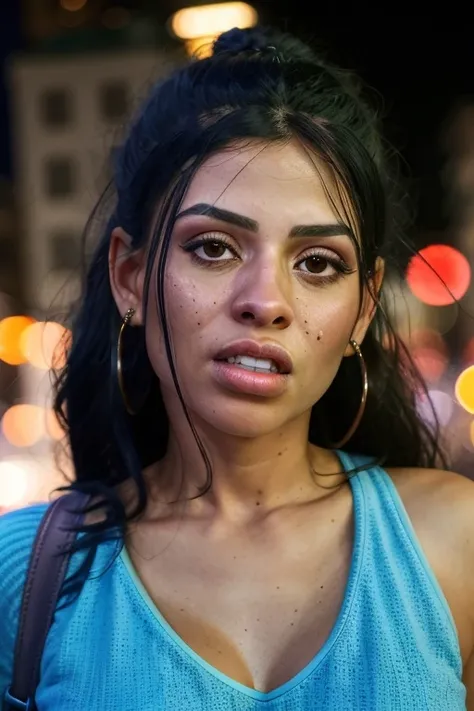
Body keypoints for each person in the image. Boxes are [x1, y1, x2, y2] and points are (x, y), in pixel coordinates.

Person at [1, 24, 473, 711]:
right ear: (132, 277)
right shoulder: (26, 574)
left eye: (318, 264)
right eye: (215, 247)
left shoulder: (456, 541)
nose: (266, 302)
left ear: (364, 309)